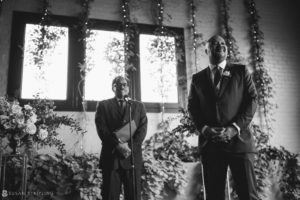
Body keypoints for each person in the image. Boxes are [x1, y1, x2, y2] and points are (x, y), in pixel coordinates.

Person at [188, 35, 259, 200]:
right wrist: (205, 130)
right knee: (213, 195)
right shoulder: (197, 79)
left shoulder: (241, 71)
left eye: (223, 43)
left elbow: (253, 99)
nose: (220, 45)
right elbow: (193, 107)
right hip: (211, 145)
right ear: (207, 50)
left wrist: (234, 129)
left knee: (248, 194)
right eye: (214, 43)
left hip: (239, 142)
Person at [95, 76, 148, 200]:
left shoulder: (138, 106)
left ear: (129, 88)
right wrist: (117, 145)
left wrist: (128, 147)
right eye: (118, 84)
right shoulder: (103, 105)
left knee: (133, 196)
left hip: (132, 158)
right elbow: (102, 129)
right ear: (113, 87)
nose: (122, 86)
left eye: (125, 84)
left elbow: (142, 129)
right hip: (111, 158)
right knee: (109, 196)